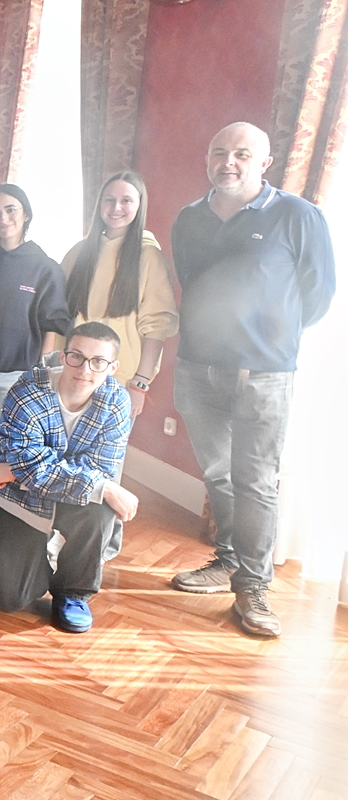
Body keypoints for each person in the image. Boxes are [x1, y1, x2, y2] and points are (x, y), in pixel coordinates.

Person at [169, 122, 335, 638]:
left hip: (263, 376)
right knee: (218, 474)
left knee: (257, 481)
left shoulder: (298, 216)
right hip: (197, 370)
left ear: (265, 162)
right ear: (208, 158)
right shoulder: (188, 219)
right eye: (219, 152)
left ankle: (254, 588)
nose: (229, 162)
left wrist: (268, 337)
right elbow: (190, 285)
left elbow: (319, 295)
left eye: (242, 153)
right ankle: (227, 561)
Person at [0, 322, 138, 633]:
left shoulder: (118, 402)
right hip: (19, 500)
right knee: (11, 597)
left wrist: (17, 471)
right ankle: (38, 562)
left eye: (99, 361)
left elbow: (98, 468)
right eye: (77, 357)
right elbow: (34, 468)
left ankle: (74, 592)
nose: (85, 369)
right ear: (63, 355)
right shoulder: (28, 391)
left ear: (113, 366)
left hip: (34, 488)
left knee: (99, 508)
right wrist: (100, 486)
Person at [0, 184, 72, 561]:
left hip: (18, 375)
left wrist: (41, 371)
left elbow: (53, 322)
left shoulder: (44, 266)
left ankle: (14, 526)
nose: (2, 219)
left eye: (10, 210)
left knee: (18, 455)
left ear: (25, 213)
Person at [61, 171, 178, 414]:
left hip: (119, 380)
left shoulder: (148, 257)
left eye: (126, 200)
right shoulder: (79, 253)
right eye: (109, 199)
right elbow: (57, 313)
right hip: (73, 372)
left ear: (139, 206)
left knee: (106, 452)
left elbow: (157, 327)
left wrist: (140, 384)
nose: (116, 207)